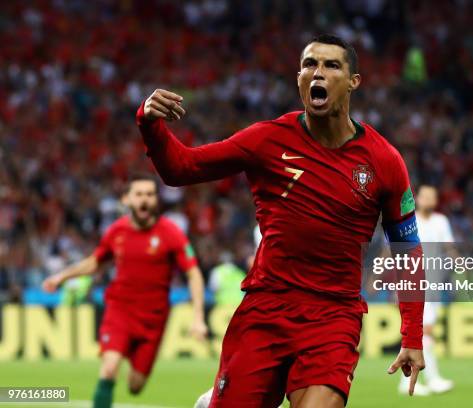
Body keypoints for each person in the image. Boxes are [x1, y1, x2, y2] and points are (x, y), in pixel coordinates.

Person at [137, 34, 425, 408]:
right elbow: (181, 168)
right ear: (300, 79)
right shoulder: (267, 140)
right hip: (266, 310)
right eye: (309, 65)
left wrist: (413, 336)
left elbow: (407, 249)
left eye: (331, 65)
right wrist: (149, 121)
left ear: (353, 81)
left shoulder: (384, 160)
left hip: (333, 316)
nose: (317, 72)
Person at [42, 174, 207, 408]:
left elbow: (194, 274)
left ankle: (133, 360)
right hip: (120, 310)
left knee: (135, 386)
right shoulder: (116, 231)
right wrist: (61, 276)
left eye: (149, 195)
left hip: (153, 319)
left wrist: (198, 317)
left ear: (156, 201)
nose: (144, 200)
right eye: (139, 194)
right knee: (108, 369)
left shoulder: (171, 234)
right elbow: (94, 262)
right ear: (127, 199)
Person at [399, 185, 455, 396]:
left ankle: (418, 381)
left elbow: (449, 248)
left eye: (433, 196)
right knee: (421, 332)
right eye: (425, 196)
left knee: (420, 333)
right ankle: (427, 380)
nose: (428, 200)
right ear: (418, 199)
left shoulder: (441, 221)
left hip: (433, 284)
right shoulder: (409, 221)